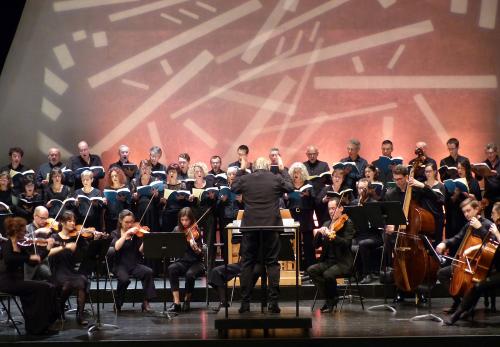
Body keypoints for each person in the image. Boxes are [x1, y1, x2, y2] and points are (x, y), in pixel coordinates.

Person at [231, 156, 294, 313]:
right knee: (272, 263)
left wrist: (240, 169)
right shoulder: (275, 178)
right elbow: (291, 187)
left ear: (254, 167)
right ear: (268, 167)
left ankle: (245, 303)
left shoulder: (246, 178)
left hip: (251, 225)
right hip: (271, 225)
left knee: (247, 263)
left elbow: (233, 187)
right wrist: (282, 169)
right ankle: (273, 302)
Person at [435, 198, 496, 322]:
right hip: (466, 264)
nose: (466, 214)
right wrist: (445, 243)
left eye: (468, 211)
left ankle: (468, 307)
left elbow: (493, 244)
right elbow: (457, 238)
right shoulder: (468, 225)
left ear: (477, 209)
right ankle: (459, 302)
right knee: (442, 273)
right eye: (464, 212)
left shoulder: (488, 224)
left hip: (481, 265)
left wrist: (480, 228)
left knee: (475, 282)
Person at [0, 217, 59, 335]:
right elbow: (9, 259)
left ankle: (40, 325)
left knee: (48, 287)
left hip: (18, 281)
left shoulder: (21, 246)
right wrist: (28, 257)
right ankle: (38, 327)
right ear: (16, 231)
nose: (26, 233)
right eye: (23, 231)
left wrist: (47, 249)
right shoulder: (7, 245)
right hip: (7, 282)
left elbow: (34, 262)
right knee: (43, 287)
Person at [307, 198, 355, 313]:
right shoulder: (327, 224)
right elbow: (315, 245)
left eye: (334, 208)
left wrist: (332, 236)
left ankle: (330, 301)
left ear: (341, 209)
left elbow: (346, 243)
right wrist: (319, 233)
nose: (331, 211)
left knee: (327, 274)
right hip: (328, 261)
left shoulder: (348, 223)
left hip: (342, 262)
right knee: (311, 270)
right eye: (329, 209)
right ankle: (331, 298)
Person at [48, 211, 90, 325]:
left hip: (71, 270)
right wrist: (64, 246)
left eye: (74, 220)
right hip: (58, 271)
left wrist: (92, 237)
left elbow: (88, 252)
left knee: (82, 281)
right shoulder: (54, 236)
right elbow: (47, 252)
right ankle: (59, 306)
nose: (73, 223)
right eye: (69, 221)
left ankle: (80, 315)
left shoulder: (77, 237)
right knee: (67, 284)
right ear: (62, 222)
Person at [111, 209, 156, 312]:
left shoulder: (136, 234)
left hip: (134, 264)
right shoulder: (115, 233)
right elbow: (116, 247)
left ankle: (146, 302)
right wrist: (126, 235)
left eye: (131, 222)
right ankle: (118, 302)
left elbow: (141, 250)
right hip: (120, 265)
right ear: (120, 221)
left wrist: (146, 239)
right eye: (127, 222)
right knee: (124, 279)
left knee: (148, 272)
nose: (130, 224)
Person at [167, 207, 205, 313]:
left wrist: (196, 248)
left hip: (196, 262)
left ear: (191, 220)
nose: (184, 222)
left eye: (187, 220)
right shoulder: (177, 230)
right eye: (182, 220)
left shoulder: (196, 230)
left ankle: (187, 301)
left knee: (190, 275)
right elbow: (170, 244)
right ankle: (176, 303)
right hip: (183, 261)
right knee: (172, 268)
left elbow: (201, 253)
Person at [351, 178, 383, 284]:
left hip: (374, 236)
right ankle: (355, 273)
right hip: (359, 234)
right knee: (347, 242)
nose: (361, 191)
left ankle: (367, 274)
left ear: (369, 189)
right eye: (360, 188)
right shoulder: (354, 203)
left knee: (363, 244)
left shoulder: (374, 203)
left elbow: (379, 224)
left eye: (364, 189)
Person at [284, 162, 315, 270]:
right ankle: (296, 267)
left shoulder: (308, 184)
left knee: (308, 243)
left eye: (298, 172)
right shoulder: (289, 186)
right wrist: (286, 198)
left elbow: (314, 200)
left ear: (303, 173)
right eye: (294, 172)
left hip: (305, 215)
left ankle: (310, 267)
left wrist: (308, 195)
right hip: (292, 215)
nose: (296, 174)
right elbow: (284, 201)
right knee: (294, 242)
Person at [303, 145, 330, 227]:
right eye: (310, 154)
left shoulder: (324, 165)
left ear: (317, 154)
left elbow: (329, 180)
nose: (312, 156)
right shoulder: (303, 166)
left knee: (323, 222)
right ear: (306, 154)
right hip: (307, 198)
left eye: (314, 154)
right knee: (308, 224)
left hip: (320, 197)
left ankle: (322, 239)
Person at [130, 160, 160, 233]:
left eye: (147, 168)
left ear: (150, 169)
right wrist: (135, 197)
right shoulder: (134, 181)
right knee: (140, 233)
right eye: (143, 168)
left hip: (152, 211)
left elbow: (159, 200)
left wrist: (156, 195)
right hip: (139, 210)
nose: (145, 170)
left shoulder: (155, 180)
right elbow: (131, 199)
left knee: (152, 233)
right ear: (140, 169)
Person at [24, 206, 53, 281]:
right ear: (35, 216)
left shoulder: (47, 229)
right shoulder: (27, 228)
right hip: (31, 265)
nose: (45, 221)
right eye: (42, 218)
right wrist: (37, 231)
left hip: (46, 261)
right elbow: (22, 240)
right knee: (49, 276)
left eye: (46, 218)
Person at [160, 163, 189, 233]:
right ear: (167, 173)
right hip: (168, 211)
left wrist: (182, 198)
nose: (172, 173)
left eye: (174, 172)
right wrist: (162, 201)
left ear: (178, 173)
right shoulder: (164, 185)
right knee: (165, 215)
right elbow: (160, 202)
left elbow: (186, 201)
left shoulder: (182, 185)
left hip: (179, 210)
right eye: (170, 172)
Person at [103, 167, 131, 233]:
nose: (114, 178)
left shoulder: (125, 187)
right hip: (110, 217)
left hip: (122, 216)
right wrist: (104, 201)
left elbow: (130, 203)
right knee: (111, 236)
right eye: (112, 176)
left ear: (120, 176)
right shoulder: (107, 188)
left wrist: (123, 200)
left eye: (116, 175)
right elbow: (104, 205)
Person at [475, 143, 499, 220]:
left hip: (499, 197)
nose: (489, 155)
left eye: (491, 153)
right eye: (487, 153)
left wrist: (497, 174)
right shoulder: (484, 163)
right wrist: (476, 171)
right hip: (488, 198)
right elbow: (479, 178)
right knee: (489, 220)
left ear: (495, 152)